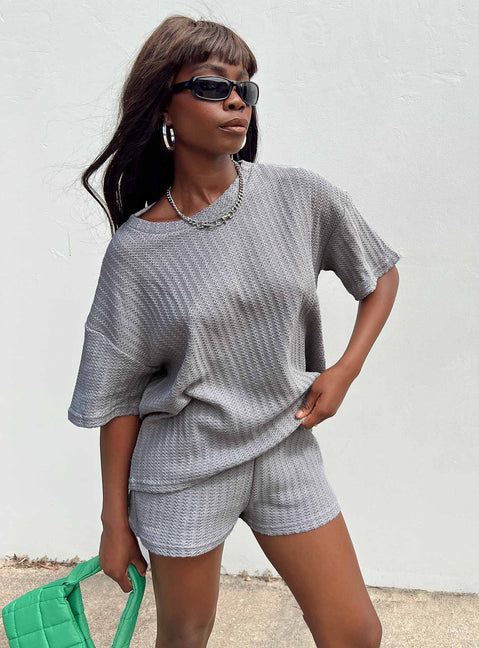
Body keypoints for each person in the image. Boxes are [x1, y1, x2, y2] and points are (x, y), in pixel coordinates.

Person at [68, 14, 400, 648]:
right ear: (163, 106)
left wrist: (344, 370)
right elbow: (117, 395)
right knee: (185, 637)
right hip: (184, 462)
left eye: (245, 87)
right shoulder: (137, 252)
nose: (235, 101)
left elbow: (379, 275)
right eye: (211, 86)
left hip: (284, 443)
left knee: (355, 633)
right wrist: (114, 523)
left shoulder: (298, 197)